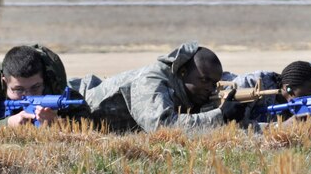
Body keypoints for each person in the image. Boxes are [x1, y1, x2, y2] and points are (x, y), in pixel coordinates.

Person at [81, 42, 245, 133]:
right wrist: (220, 116)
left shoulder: (190, 90)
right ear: (182, 72)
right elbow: (162, 127)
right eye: (204, 80)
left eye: (213, 83)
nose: (210, 88)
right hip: (76, 109)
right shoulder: (151, 81)